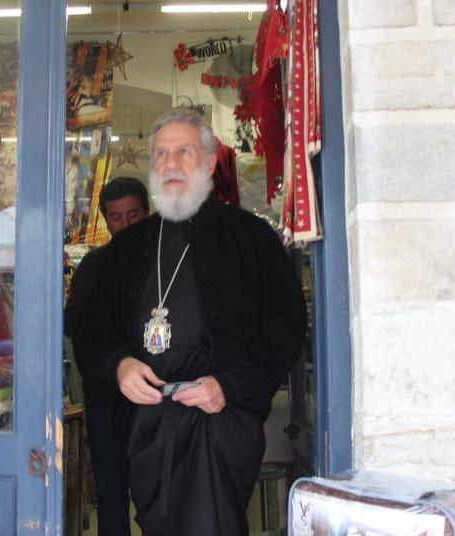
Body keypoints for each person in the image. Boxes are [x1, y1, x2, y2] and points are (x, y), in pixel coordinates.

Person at [73, 109, 306, 535]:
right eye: (161, 154)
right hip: (146, 425)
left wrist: (229, 385)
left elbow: (286, 326)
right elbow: (90, 325)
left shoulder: (250, 237)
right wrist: (118, 364)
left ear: (210, 162)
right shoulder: (127, 249)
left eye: (184, 151)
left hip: (219, 420)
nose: (171, 164)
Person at [65, 176, 150, 536]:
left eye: (133, 215)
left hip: (155, 398)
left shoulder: (166, 263)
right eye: (116, 217)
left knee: (156, 493)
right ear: (105, 219)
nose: (125, 224)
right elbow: (76, 326)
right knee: (112, 494)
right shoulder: (92, 268)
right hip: (104, 398)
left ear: (147, 213)